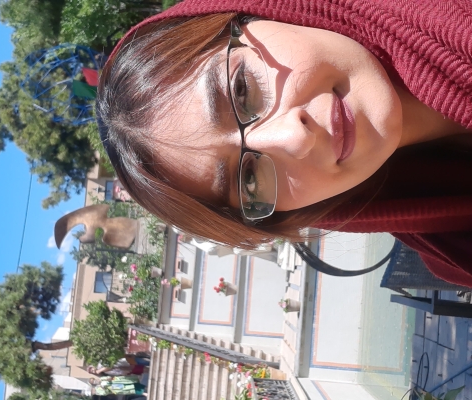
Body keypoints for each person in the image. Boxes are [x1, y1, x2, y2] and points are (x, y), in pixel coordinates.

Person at [96, 0, 472, 286]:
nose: (294, 138)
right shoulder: (456, 252)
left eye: (243, 89)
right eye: (249, 180)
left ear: (255, 14)